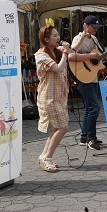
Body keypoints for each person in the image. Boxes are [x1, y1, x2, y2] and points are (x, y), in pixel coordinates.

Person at [35, 24, 71, 172]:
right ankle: (47, 157)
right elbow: (58, 68)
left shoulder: (56, 51)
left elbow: (72, 48)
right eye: (54, 35)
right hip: (49, 98)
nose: (58, 38)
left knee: (58, 127)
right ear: (46, 39)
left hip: (58, 96)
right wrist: (65, 53)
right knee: (63, 128)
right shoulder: (41, 56)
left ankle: (44, 156)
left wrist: (83, 35)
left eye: (58, 34)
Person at [71, 15, 104, 150]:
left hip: (93, 77)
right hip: (82, 77)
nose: (96, 29)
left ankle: (84, 137)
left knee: (89, 108)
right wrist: (90, 56)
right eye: (93, 26)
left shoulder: (95, 39)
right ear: (85, 25)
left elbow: (99, 56)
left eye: (97, 27)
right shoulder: (78, 39)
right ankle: (91, 138)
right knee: (95, 108)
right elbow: (71, 54)